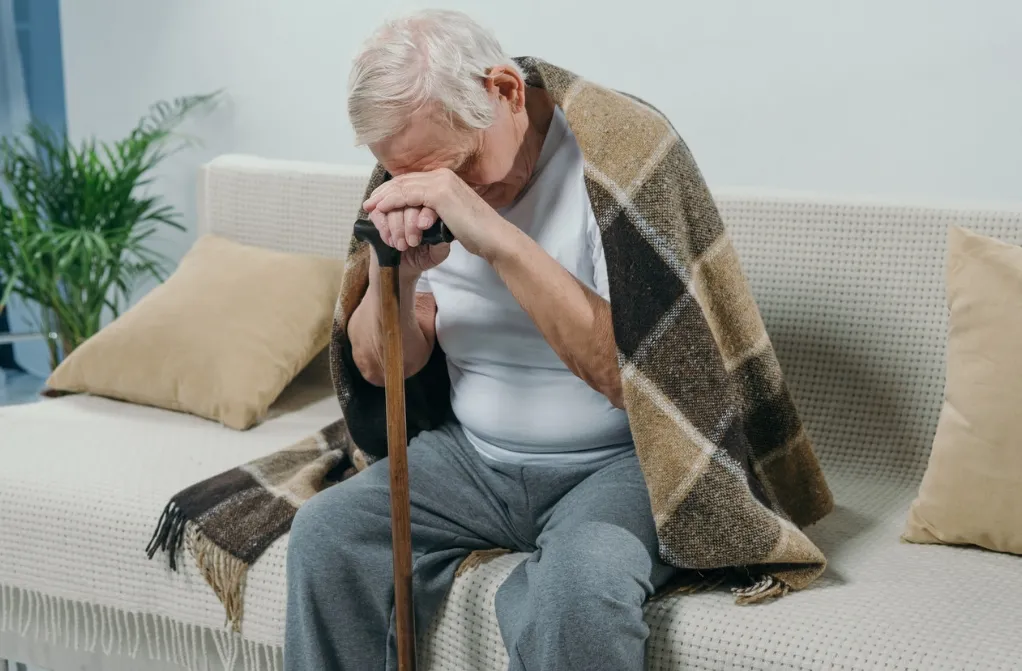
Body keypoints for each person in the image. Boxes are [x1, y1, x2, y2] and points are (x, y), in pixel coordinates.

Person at [284, 9, 675, 670]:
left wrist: (493, 237)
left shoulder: (615, 155)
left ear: (506, 91)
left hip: (617, 462)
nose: (444, 198)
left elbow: (633, 374)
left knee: (580, 591)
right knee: (325, 535)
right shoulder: (415, 171)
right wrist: (399, 283)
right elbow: (382, 369)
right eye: (416, 178)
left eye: (461, 169)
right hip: (472, 459)